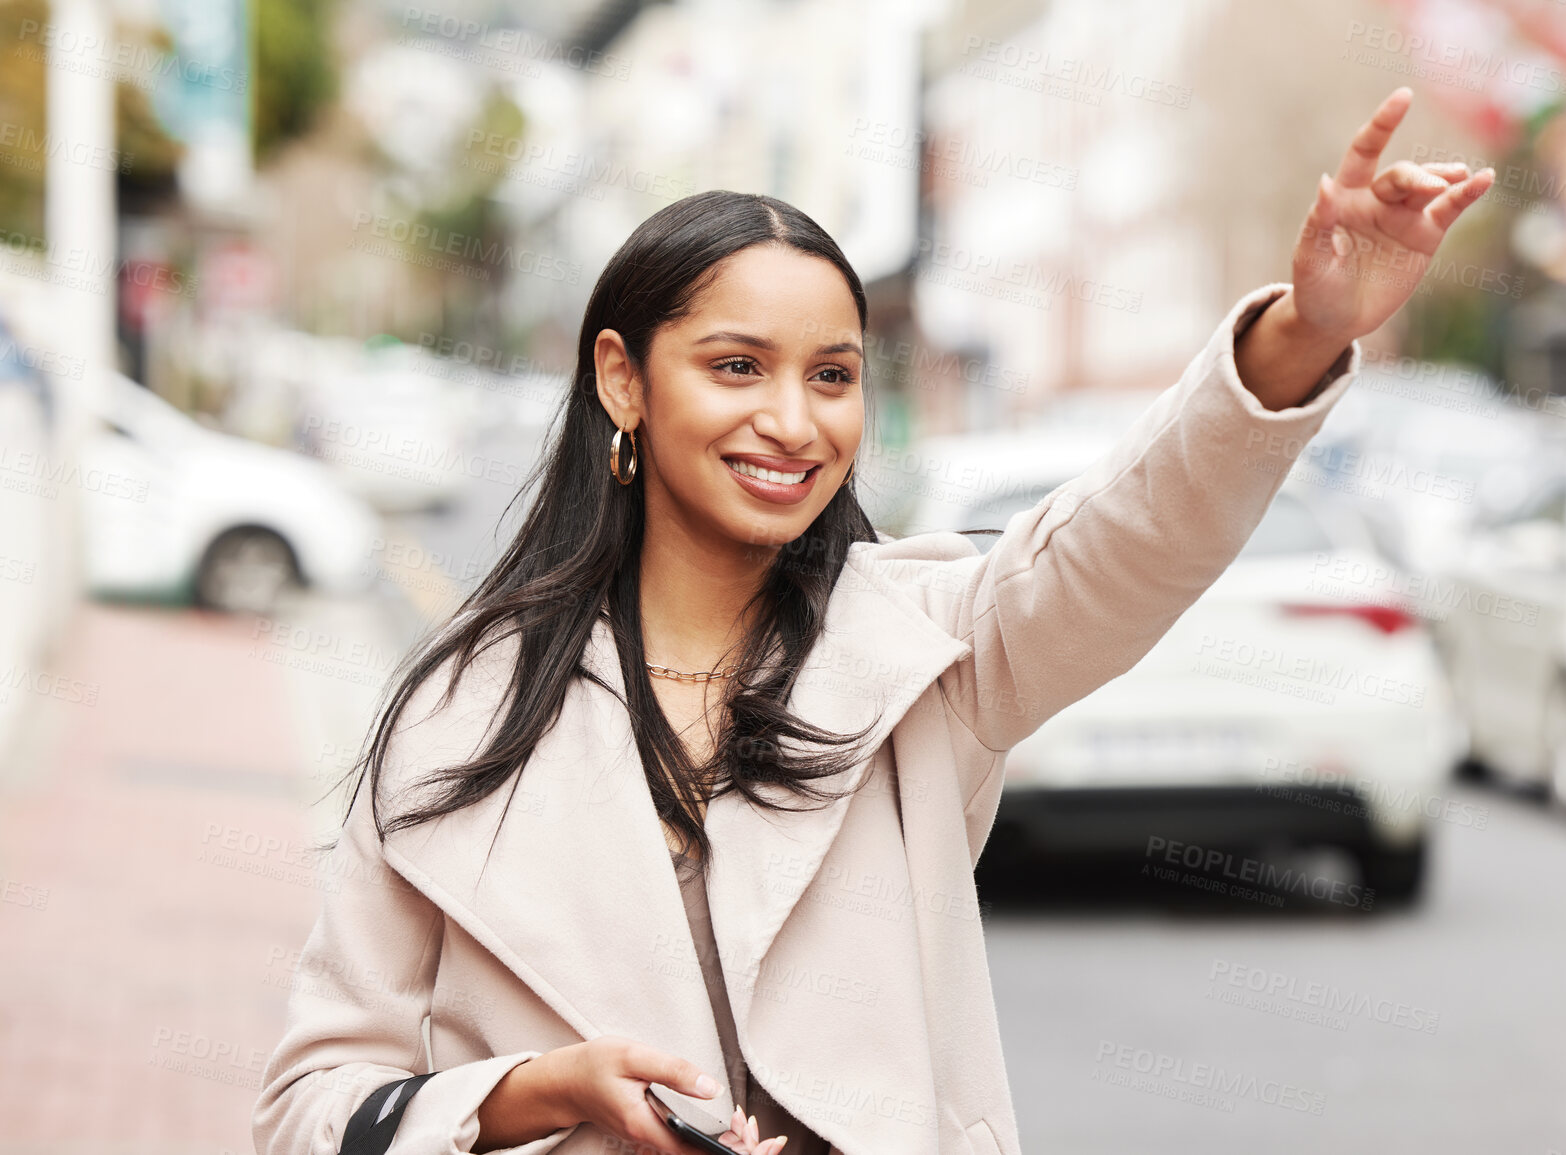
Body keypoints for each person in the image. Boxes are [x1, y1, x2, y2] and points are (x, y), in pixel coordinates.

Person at [252, 86, 1491, 1155]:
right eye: (738, 366)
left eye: (832, 375)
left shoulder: (925, 652)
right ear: (624, 379)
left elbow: (1134, 530)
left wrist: (1305, 332)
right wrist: (538, 1095)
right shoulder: (462, 707)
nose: (795, 422)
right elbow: (315, 1107)